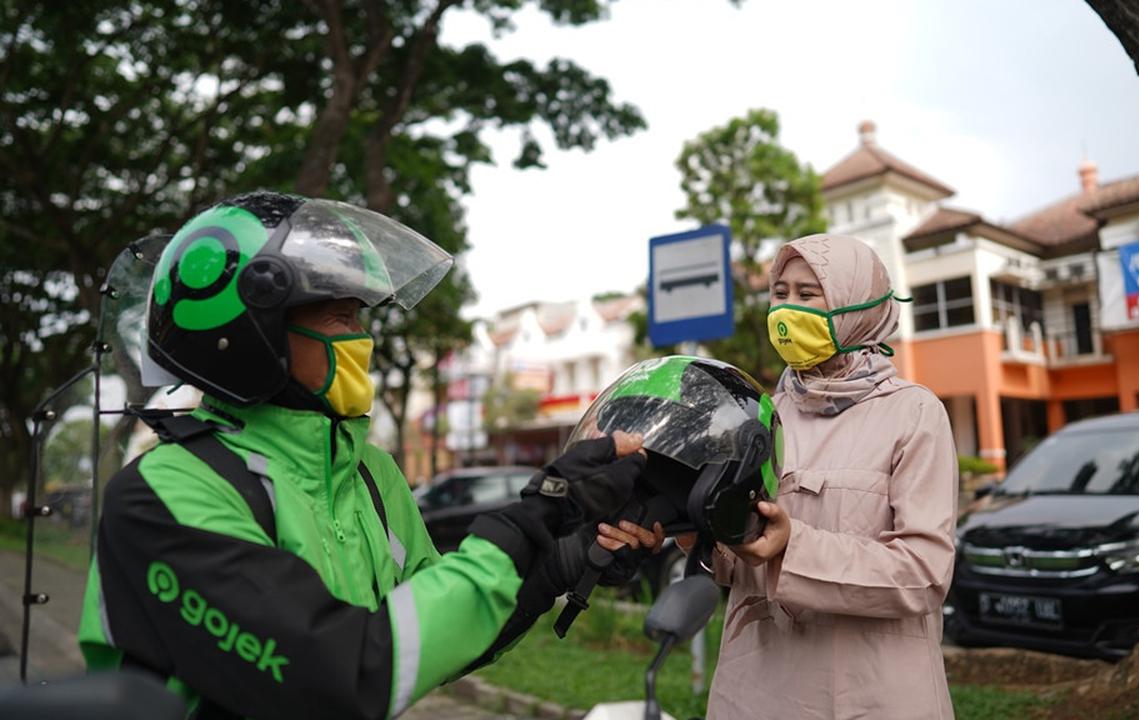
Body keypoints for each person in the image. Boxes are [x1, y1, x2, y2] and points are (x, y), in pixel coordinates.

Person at [77, 191, 660, 720]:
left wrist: (563, 558)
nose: (363, 339)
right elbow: (340, 674)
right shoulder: (163, 493)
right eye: (340, 317)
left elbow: (436, 633)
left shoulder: (369, 473)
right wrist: (528, 518)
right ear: (253, 332)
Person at [693, 233, 958, 719]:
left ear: (855, 305)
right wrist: (699, 531)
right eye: (780, 292)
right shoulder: (760, 416)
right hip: (755, 689)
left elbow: (924, 572)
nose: (787, 310)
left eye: (808, 294)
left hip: (869, 694)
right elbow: (735, 560)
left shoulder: (914, 413)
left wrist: (794, 547)